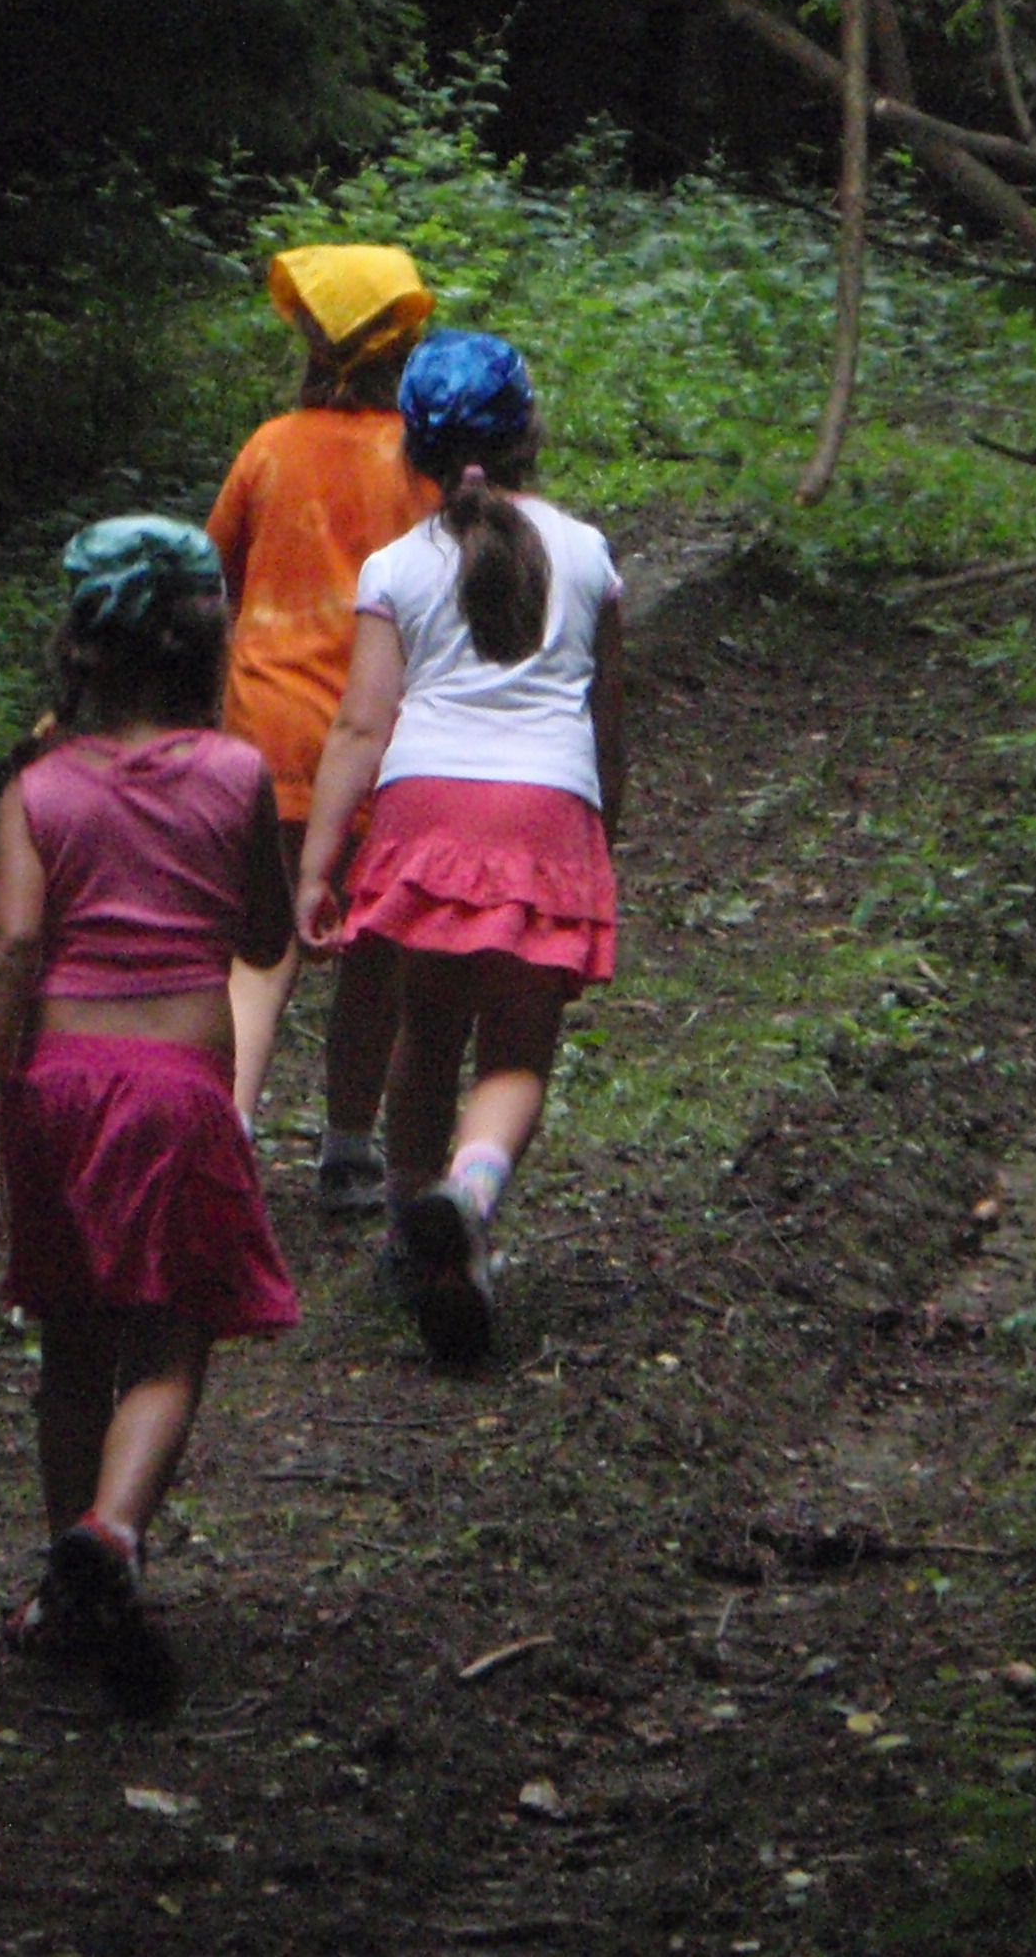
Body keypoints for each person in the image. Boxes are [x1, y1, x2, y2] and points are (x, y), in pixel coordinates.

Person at [0, 516, 298, 1718]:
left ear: (79, 646)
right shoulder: (238, 775)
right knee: (168, 1343)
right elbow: (266, 935)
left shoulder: (38, 788)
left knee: (70, 1349)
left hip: (57, 1092)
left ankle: (65, 1588)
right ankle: (112, 1531)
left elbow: (9, 946)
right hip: (180, 1095)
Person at [297, 334, 625, 1369]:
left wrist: (316, 865)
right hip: (543, 808)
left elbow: (360, 727)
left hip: (424, 811)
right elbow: (608, 718)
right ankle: (469, 1195)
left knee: (427, 1027)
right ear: (529, 433)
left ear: (416, 449)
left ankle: (413, 1228)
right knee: (516, 1052)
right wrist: (605, 824)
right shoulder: (587, 553)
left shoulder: (396, 566)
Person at [205, 244, 439, 1206]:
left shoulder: (268, 448)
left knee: (260, 952)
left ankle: (226, 1132)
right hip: (382, 742)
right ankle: (347, 1149)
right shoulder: (420, 462)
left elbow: (216, 573)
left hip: (264, 736)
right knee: (372, 955)